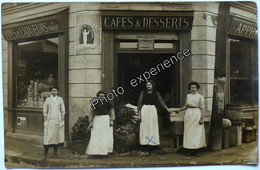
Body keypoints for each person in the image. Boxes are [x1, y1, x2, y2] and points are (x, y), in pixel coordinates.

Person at [174, 81, 206, 156]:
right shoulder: (188, 96)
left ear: (197, 88)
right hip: (189, 114)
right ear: (190, 88)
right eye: (191, 87)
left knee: (196, 133)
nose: (193, 89)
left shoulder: (200, 97)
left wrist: (202, 118)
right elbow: (186, 106)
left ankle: (196, 150)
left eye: (194, 87)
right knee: (189, 132)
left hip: (196, 114)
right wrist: (179, 110)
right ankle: (189, 150)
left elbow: (202, 108)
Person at [137, 80, 171, 149]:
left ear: (152, 86)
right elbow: (140, 102)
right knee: (145, 125)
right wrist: (139, 112)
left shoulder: (156, 93)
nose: (148, 86)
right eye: (147, 85)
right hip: (145, 109)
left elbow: (161, 101)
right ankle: (144, 143)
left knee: (153, 125)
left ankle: (153, 143)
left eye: (150, 85)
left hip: (152, 109)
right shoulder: (143, 93)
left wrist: (166, 108)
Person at [85, 91, 115, 157]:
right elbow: (91, 112)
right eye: (100, 96)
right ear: (97, 97)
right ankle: (95, 152)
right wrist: (90, 121)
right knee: (96, 136)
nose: (102, 97)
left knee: (105, 136)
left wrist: (111, 120)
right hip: (97, 120)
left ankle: (105, 152)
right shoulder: (94, 103)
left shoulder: (108, 103)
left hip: (105, 120)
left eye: (103, 96)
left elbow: (112, 112)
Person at [42, 87, 65, 160]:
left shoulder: (60, 99)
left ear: (57, 91)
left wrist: (62, 120)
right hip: (49, 121)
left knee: (56, 138)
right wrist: (45, 120)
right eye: (53, 90)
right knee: (48, 138)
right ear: (51, 92)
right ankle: (45, 154)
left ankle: (55, 153)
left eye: (55, 91)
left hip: (57, 120)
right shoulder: (48, 100)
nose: (54, 92)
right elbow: (45, 111)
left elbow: (63, 110)